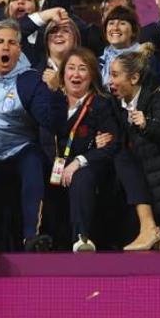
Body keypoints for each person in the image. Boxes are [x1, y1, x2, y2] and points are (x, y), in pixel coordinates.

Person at [0, 20, 65, 251]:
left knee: (33, 161)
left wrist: (55, 92)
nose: (6, 47)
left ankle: (31, 237)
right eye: (0, 42)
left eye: (12, 43)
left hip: (21, 150)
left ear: (19, 50)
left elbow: (51, 122)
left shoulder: (30, 80)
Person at [49, 48, 121, 252]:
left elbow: (112, 144)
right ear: (63, 73)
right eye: (71, 68)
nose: (76, 74)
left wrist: (79, 160)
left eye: (82, 69)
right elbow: (44, 136)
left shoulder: (101, 103)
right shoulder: (52, 101)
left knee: (81, 176)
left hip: (89, 166)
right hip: (55, 164)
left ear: (92, 75)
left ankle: (82, 238)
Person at [106, 49, 160, 250]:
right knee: (119, 159)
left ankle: (149, 227)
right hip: (136, 167)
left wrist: (147, 125)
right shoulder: (116, 100)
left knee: (123, 159)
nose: (110, 81)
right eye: (110, 74)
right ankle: (148, 230)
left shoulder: (158, 95)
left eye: (115, 75)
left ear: (134, 78)